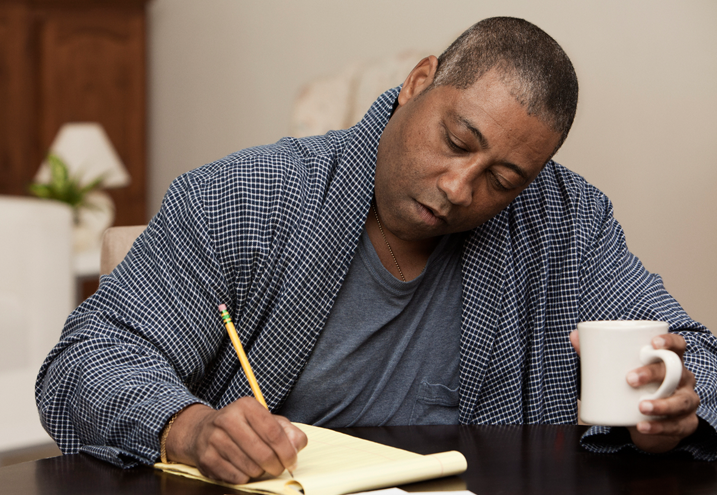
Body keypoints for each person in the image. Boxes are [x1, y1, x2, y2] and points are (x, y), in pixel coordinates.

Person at [35, 17, 717, 483]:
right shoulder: (245, 197)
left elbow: (697, 363)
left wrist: (666, 419)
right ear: (420, 81)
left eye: (502, 180)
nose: (458, 188)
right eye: (456, 140)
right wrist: (186, 428)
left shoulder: (565, 219)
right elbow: (85, 360)